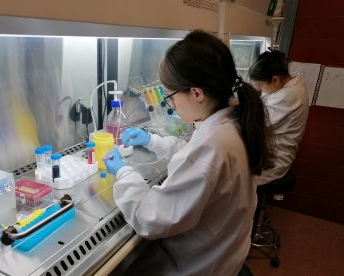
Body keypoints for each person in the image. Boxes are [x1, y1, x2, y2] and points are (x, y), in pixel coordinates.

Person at [105, 30, 274, 275]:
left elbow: (149, 219)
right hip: (227, 254)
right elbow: (197, 157)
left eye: (170, 95)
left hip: (199, 266)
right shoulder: (233, 122)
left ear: (196, 93)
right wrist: (152, 140)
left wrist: (123, 173)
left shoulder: (213, 144)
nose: (170, 104)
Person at [249, 49, 309, 186]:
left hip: (275, 159)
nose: (260, 90)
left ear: (275, 79)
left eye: (261, 86)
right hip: (268, 149)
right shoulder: (289, 82)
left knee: (236, 179)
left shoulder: (289, 95)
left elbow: (257, 123)